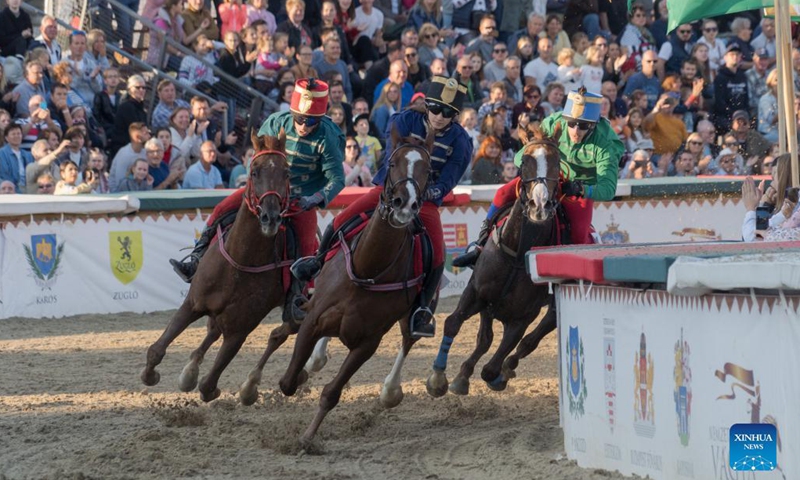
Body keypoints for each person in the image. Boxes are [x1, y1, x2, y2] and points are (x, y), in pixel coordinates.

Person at [291, 75, 473, 338]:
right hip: (388, 192)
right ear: (426, 105)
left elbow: (449, 179)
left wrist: (427, 192)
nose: (440, 116)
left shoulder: (461, 140)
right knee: (340, 220)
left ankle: (422, 310)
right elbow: (391, 157)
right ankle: (316, 263)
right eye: (435, 108)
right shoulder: (404, 121)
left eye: (448, 112)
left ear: (455, 116)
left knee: (438, 255)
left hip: (425, 201)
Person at [169, 78, 345, 323]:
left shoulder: (329, 137)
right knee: (221, 209)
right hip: (264, 192)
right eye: (300, 119)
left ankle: (296, 298)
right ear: (292, 113)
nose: (305, 125)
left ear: (321, 118)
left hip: (300, 198)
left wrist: (315, 198)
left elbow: (337, 180)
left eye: (312, 120)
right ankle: (196, 259)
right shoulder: (275, 123)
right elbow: (258, 158)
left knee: (306, 244)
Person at [454, 87, 623, 266]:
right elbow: (520, 157)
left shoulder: (606, 145)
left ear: (593, 124)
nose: (575, 130)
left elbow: (608, 189)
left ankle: (575, 268)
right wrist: (531, 161)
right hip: (546, 175)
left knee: (579, 231)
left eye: (583, 125)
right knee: (503, 193)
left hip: (579, 187)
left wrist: (581, 189)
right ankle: (480, 245)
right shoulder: (553, 123)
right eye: (571, 123)